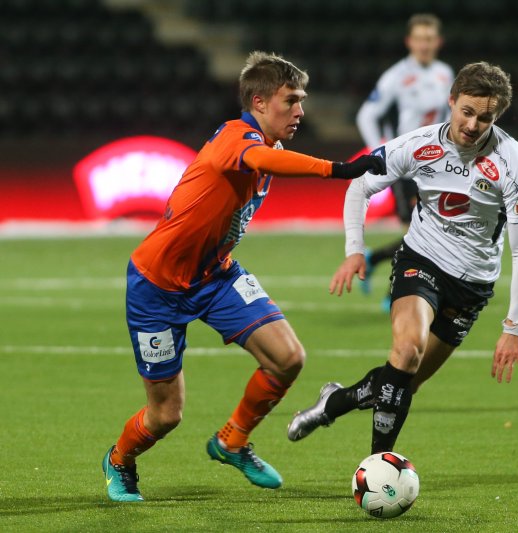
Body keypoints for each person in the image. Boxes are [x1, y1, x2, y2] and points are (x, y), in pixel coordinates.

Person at [101, 51, 385, 502]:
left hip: (215, 276)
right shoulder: (238, 139)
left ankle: (231, 441)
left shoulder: (264, 148)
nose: (300, 111)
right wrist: (338, 169)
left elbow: (268, 162)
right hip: (157, 286)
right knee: (166, 414)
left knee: (288, 358)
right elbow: (263, 160)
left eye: (302, 100)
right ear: (258, 102)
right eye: (290, 100)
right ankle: (120, 460)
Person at [288, 62, 518, 455]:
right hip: (421, 258)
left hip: (472, 284)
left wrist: (513, 327)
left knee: (405, 382)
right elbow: (359, 188)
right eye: (466, 112)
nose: (472, 125)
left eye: (484, 118)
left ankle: (335, 402)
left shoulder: (513, 162)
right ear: (451, 101)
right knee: (406, 351)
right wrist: (355, 251)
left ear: (497, 116)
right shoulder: (419, 145)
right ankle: (378, 466)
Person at [355, 14, 454, 309]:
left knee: (429, 231)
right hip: (405, 166)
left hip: (435, 163)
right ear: (409, 42)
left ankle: (378, 262)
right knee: (420, 233)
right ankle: (397, 290)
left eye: (429, 38)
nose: (424, 44)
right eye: (419, 38)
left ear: (438, 42)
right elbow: (367, 114)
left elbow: (448, 116)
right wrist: (380, 153)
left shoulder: (445, 73)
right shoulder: (396, 76)